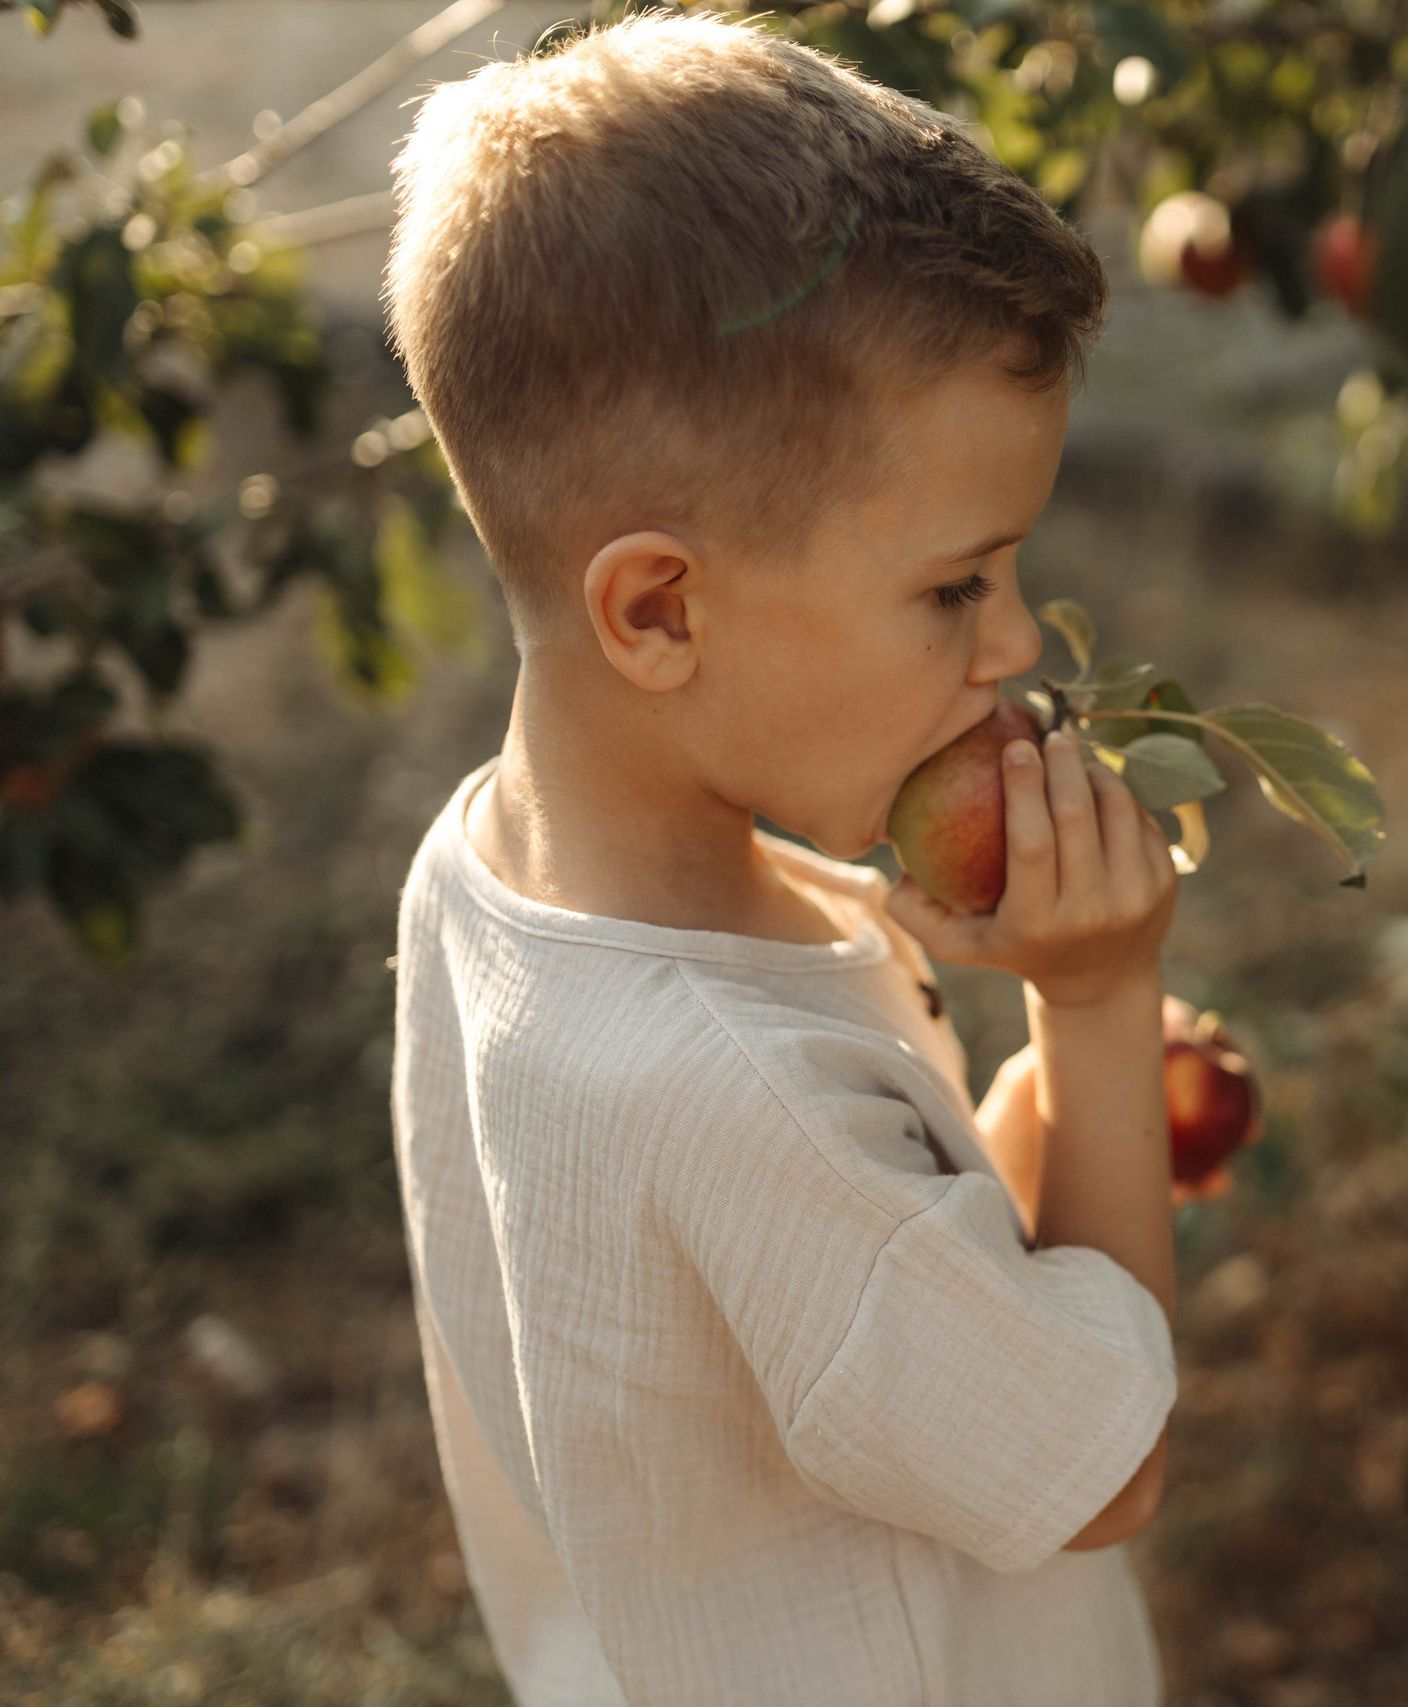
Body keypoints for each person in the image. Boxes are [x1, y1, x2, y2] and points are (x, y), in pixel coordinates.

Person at [382, 15, 1181, 1703]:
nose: (1014, 644)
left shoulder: (493, 877)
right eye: (958, 585)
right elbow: (1100, 1475)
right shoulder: (729, 1088)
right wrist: (1105, 1014)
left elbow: (875, 1284)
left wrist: (1061, 1075)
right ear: (660, 610)